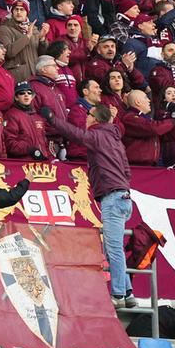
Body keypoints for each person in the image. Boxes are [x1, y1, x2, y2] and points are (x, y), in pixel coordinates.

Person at [65, 102, 137, 306]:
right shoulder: (114, 139)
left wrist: (52, 119)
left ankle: (118, 294)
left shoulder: (97, 135)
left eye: (89, 114)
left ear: (95, 118)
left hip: (112, 199)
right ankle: (128, 293)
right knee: (113, 248)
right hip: (123, 197)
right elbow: (127, 171)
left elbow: (75, 134)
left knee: (113, 249)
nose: (86, 117)